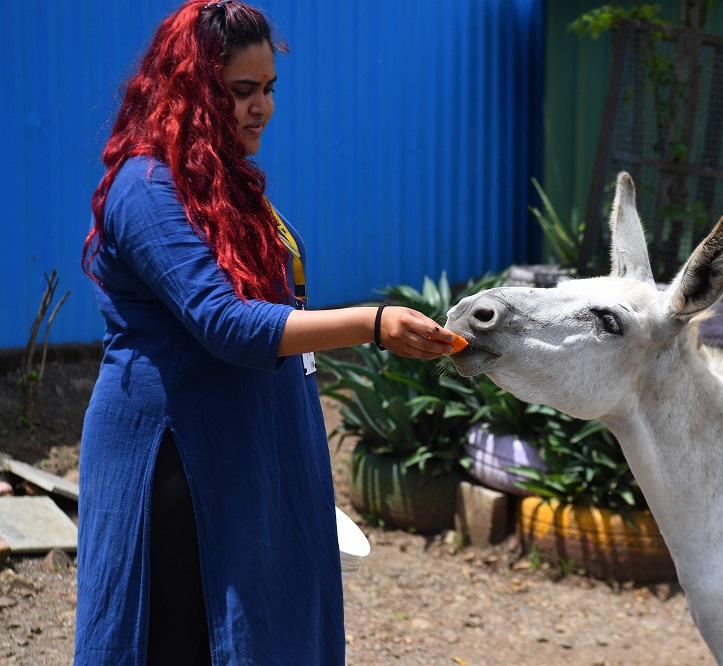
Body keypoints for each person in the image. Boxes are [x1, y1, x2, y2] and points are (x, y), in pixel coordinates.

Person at [77, 1, 458, 663]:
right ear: (193, 91)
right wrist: (372, 323)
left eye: (269, 89)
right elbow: (224, 323)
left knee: (250, 632)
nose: (262, 107)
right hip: (176, 463)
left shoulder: (224, 187)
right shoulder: (145, 187)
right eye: (242, 91)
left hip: (240, 449)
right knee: (182, 641)